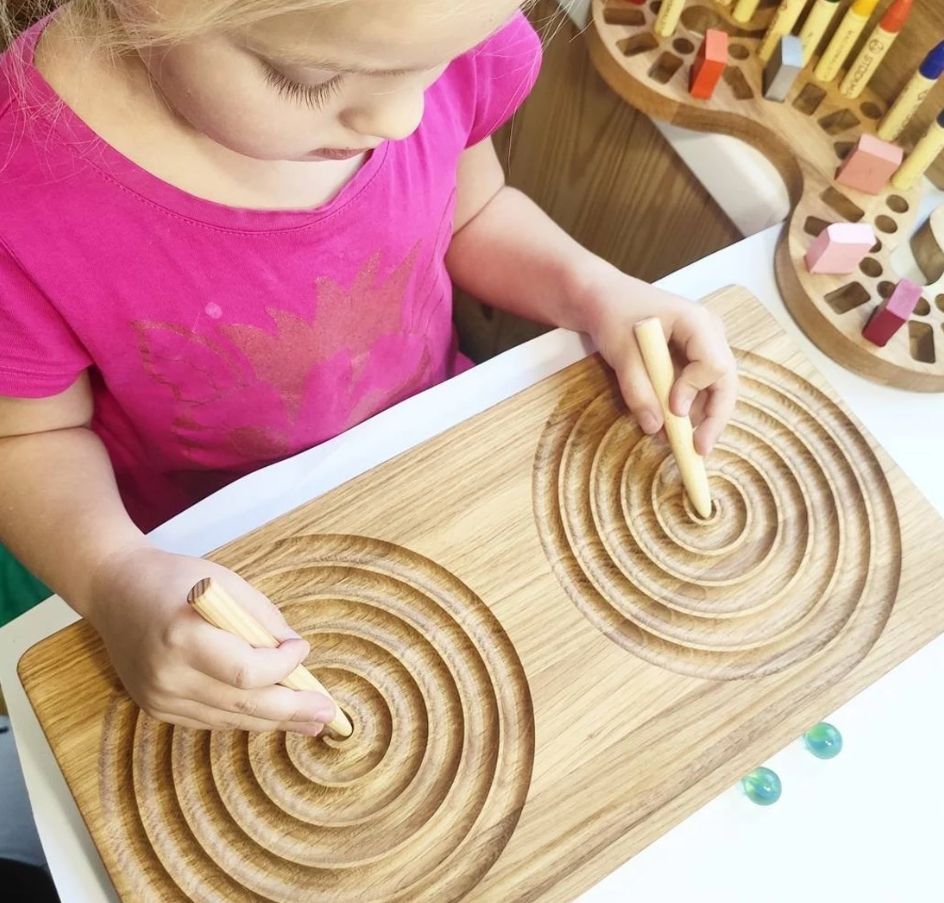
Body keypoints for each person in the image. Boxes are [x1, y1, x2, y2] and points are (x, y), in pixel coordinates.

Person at [0, 0, 737, 740]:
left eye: (437, 66)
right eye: (309, 77)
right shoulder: (20, 188)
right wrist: (113, 575)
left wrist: (596, 291)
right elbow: (28, 437)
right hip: (222, 570)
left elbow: (472, 211)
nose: (401, 119)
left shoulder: (415, 33)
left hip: (428, 473)